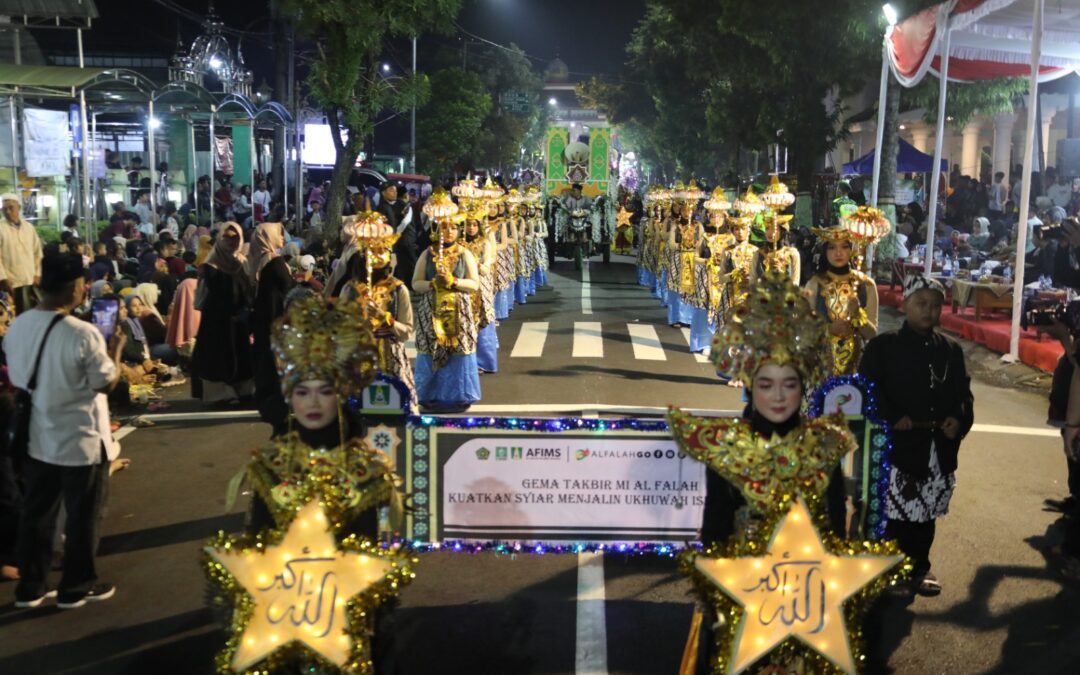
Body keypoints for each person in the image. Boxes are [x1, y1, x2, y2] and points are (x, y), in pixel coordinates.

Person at [667, 272, 852, 673]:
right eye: (766, 384)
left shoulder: (822, 446)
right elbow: (714, 528)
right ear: (751, 386)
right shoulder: (730, 446)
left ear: (803, 388)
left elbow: (835, 530)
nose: (779, 395)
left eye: (790, 384)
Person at [226, 294, 402, 670]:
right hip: (282, 612)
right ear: (290, 397)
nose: (313, 403)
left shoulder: (366, 467)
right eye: (302, 392)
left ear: (340, 394)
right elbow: (256, 540)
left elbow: (373, 551)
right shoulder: (271, 464)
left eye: (324, 391)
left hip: (345, 613)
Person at [9, 252, 124, 609]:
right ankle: (76, 586)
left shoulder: (19, 326)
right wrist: (116, 352)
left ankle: (32, 585)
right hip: (82, 439)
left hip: (39, 437)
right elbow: (104, 383)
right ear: (74, 287)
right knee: (82, 517)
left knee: (37, 514)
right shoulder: (83, 333)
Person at [859, 274, 974, 596]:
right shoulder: (883, 347)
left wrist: (958, 418)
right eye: (922, 303)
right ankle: (890, 572)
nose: (929, 311)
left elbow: (964, 395)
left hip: (937, 448)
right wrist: (894, 417)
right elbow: (868, 390)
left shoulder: (951, 351)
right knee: (896, 518)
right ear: (905, 303)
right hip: (899, 448)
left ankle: (917, 570)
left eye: (936, 305)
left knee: (925, 516)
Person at [339, 213, 417, 408]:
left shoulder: (399, 290)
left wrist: (385, 318)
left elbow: (407, 330)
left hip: (391, 355)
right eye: (370, 252)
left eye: (381, 251)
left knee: (397, 411)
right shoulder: (350, 289)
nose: (376, 256)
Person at [412, 197, 481, 413]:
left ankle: (460, 395)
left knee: (459, 349)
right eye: (444, 227)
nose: (448, 232)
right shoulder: (427, 254)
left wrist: (454, 282)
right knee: (430, 348)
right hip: (430, 309)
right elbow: (416, 283)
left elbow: (474, 284)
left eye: (453, 228)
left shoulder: (465, 253)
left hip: (459, 311)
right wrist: (432, 284)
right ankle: (428, 395)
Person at [803, 220, 880, 376]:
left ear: (852, 250)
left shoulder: (866, 284)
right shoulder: (814, 284)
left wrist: (858, 314)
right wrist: (828, 329)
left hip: (857, 366)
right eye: (832, 247)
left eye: (844, 246)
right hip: (823, 367)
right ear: (824, 251)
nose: (838, 253)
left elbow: (871, 334)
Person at [192, 222, 253, 405]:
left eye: (235, 237)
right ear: (219, 238)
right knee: (218, 355)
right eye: (226, 237)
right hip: (216, 320)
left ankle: (243, 391)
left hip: (238, 319)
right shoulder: (211, 266)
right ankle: (221, 394)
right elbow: (205, 295)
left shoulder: (243, 263)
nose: (231, 242)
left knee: (239, 353)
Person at [248, 222, 295, 432]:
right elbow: (287, 290)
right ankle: (278, 404)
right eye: (279, 234)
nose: (283, 239)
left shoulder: (259, 259)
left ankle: (269, 401)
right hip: (277, 320)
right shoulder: (275, 262)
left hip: (264, 320)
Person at [461, 207, 499, 375]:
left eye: (474, 225)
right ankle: (467, 362)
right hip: (465, 288)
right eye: (468, 225)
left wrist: (475, 265)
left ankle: (485, 362)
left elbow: (486, 266)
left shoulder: (485, 243)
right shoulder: (459, 245)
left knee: (483, 323)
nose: (471, 228)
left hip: (481, 288)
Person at [0, 193, 43, 314]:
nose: (8, 212)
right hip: (10, 282)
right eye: (4, 209)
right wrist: (3, 278)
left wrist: (37, 274)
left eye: (11, 208)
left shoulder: (29, 228)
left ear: (18, 208)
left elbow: (37, 253)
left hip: (30, 279)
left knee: (32, 315)